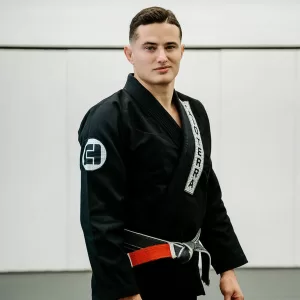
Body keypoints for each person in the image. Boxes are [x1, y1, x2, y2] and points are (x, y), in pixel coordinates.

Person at [78, 6, 248, 300]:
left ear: (182, 51)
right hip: (132, 277)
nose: (161, 56)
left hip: (182, 274)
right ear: (129, 54)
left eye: (170, 47)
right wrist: (123, 291)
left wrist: (227, 267)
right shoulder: (108, 117)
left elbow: (206, 194)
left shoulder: (194, 112)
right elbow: (98, 218)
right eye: (149, 47)